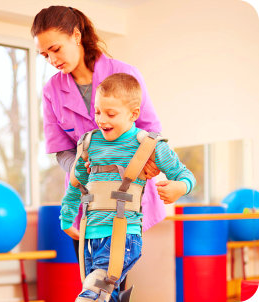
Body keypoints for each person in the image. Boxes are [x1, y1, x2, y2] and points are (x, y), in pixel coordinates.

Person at [31, 5, 162, 289]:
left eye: (55, 49)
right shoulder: (52, 90)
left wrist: (136, 165)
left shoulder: (124, 73)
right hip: (83, 199)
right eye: (45, 55)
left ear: (76, 36)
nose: (52, 59)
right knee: (89, 279)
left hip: (122, 197)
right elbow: (61, 149)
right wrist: (79, 165)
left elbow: (151, 131)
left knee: (108, 280)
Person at [60, 73, 196, 302]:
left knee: (92, 295)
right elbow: (76, 184)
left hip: (123, 235)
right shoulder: (89, 143)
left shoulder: (148, 144)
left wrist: (179, 187)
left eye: (110, 114)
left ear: (133, 114)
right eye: (97, 111)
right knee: (106, 295)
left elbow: (185, 174)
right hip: (90, 235)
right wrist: (67, 217)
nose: (101, 120)